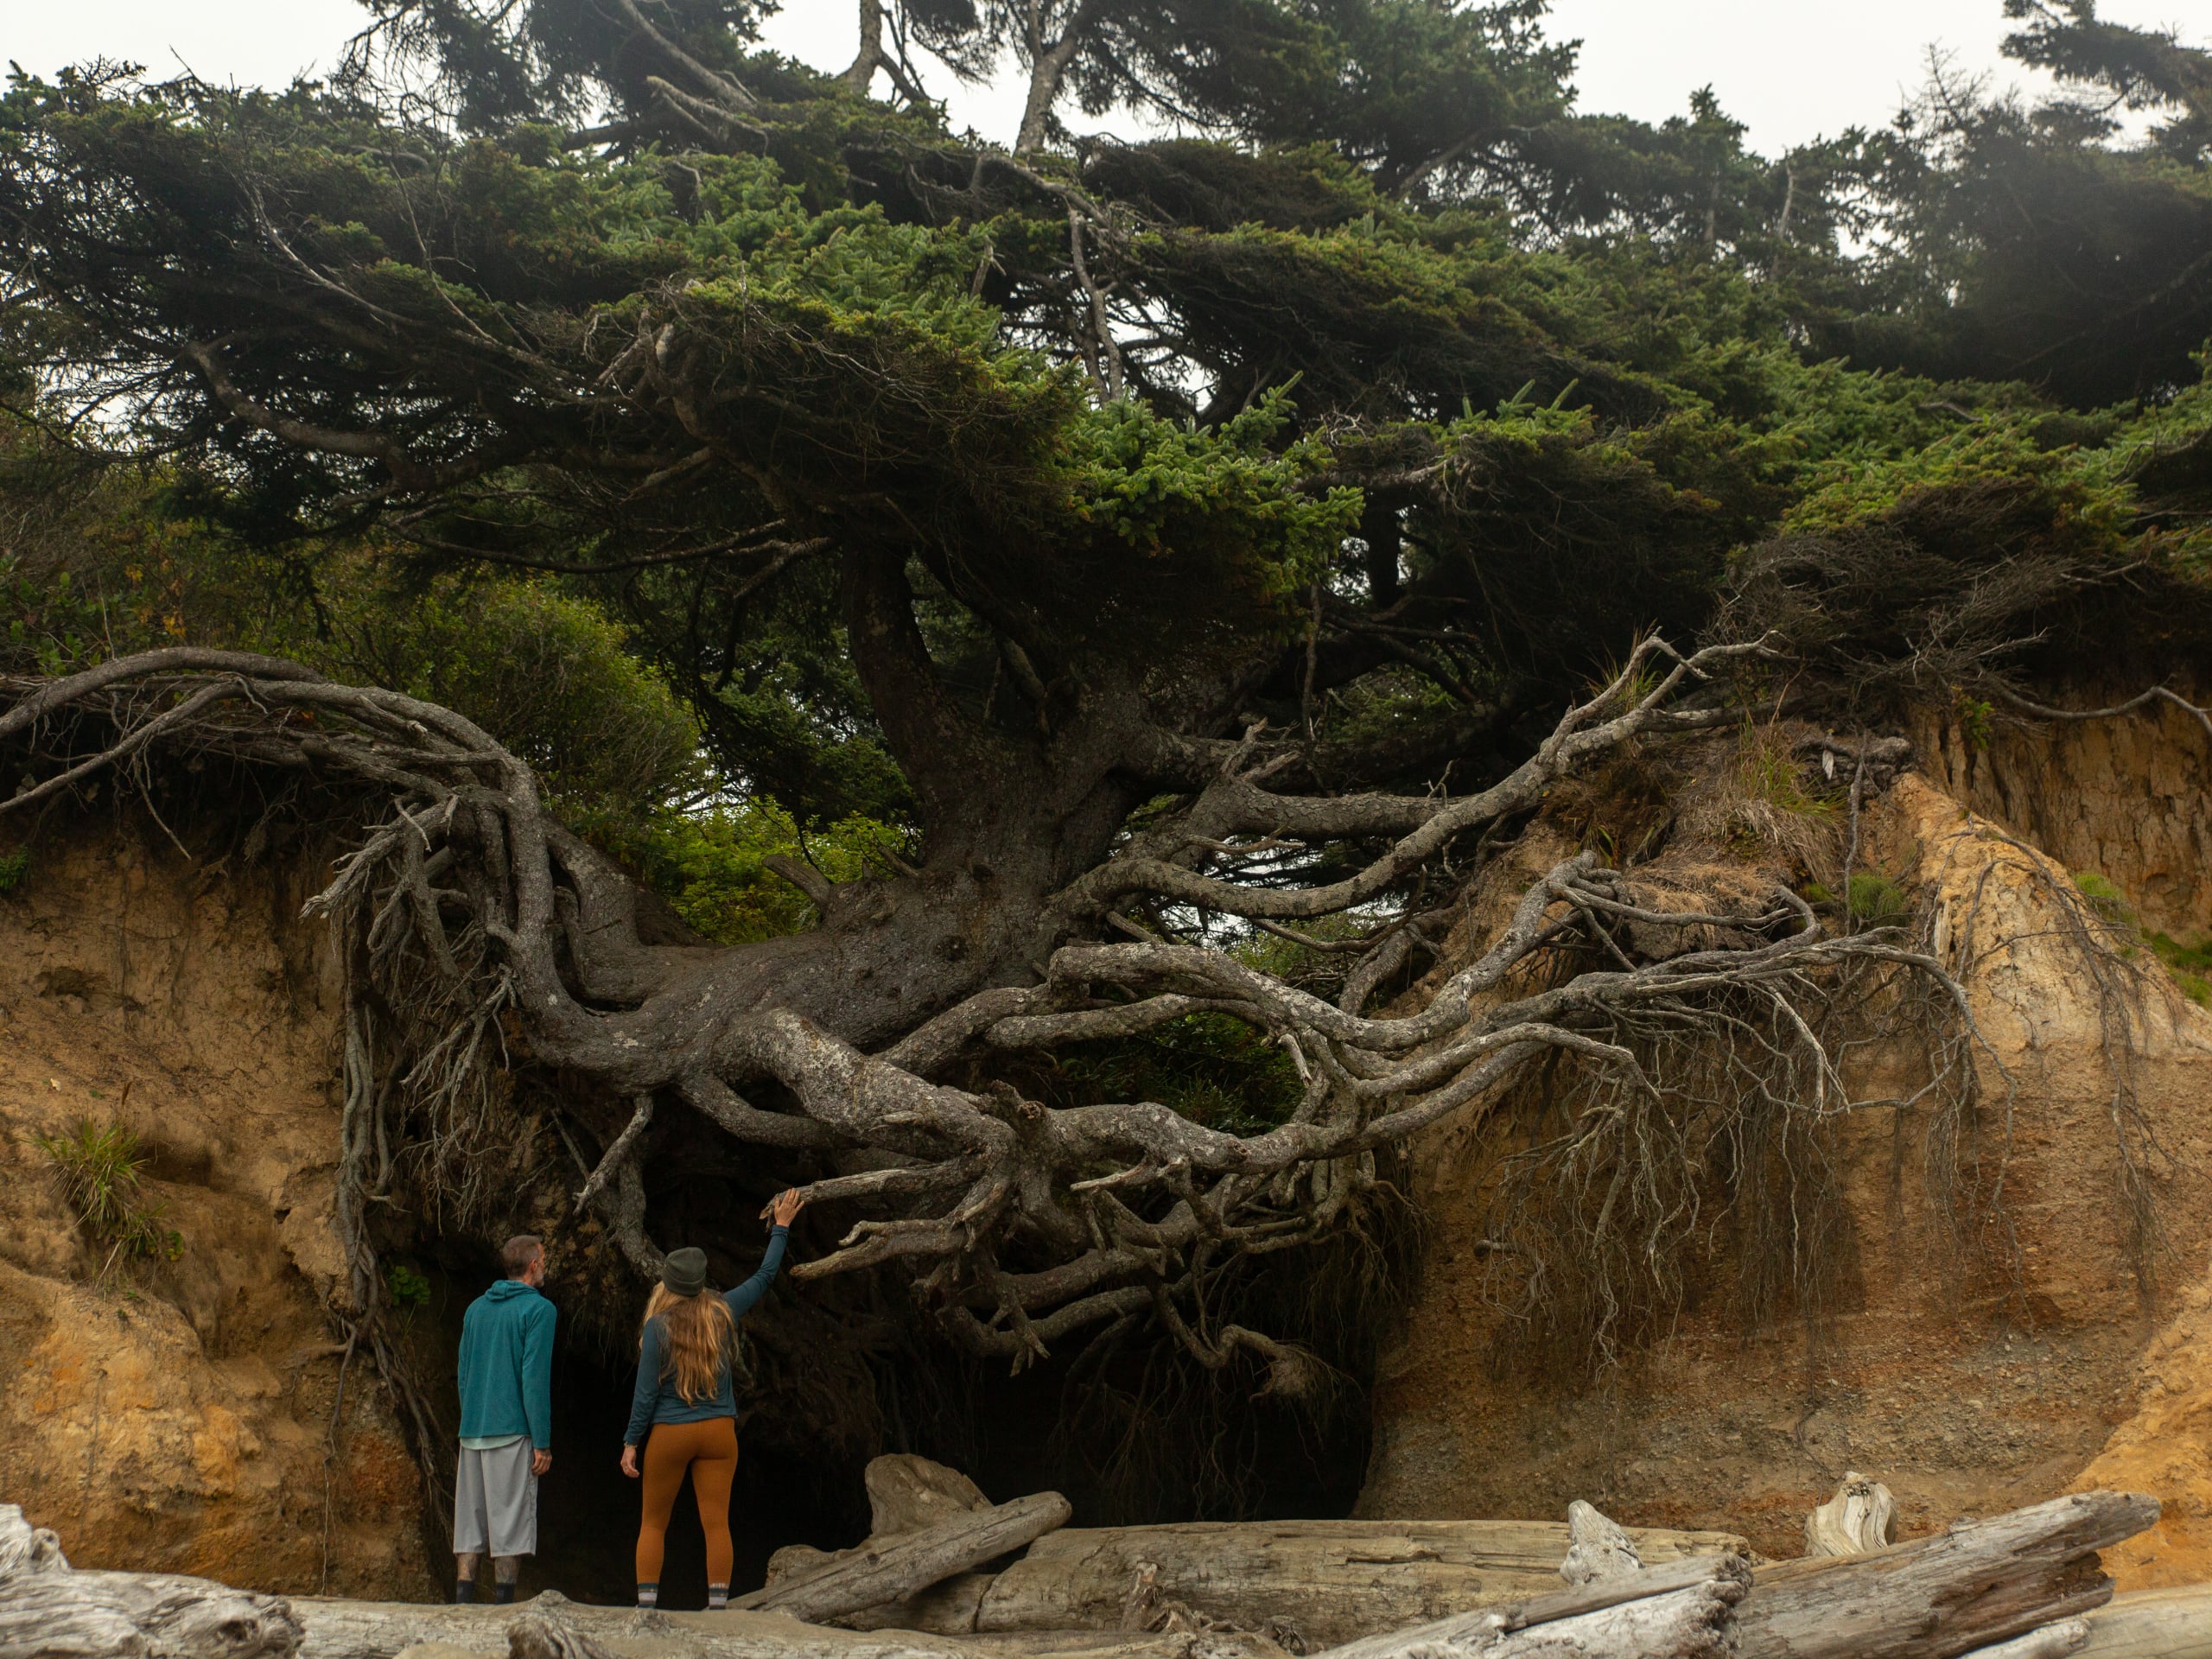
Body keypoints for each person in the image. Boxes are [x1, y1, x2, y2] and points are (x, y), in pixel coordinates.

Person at [622, 1188, 805, 1611]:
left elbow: (646, 1392)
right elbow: (763, 1276)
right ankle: (718, 1608)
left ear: (667, 1283)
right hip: (719, 1433)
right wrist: (781, 1228)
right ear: (701, 1282)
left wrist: (632, 1441)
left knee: (653, 1523)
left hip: (670, 1433)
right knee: (716, 1523)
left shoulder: (657, 1328)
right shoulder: (723, 1311)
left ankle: (647, 1609)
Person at [454, 1233, 556, 1604]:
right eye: (543, 1259)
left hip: (472, 1432)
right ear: (533, 1266)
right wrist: (541, 1441)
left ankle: (462, 1605)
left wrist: (471, 1419)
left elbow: (464, 1375)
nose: (545, 1265)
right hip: (512, 1433)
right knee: (509, 1525)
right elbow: (534, 1379)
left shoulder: (475, 1309)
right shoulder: (540, 1310)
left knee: (469, 1524)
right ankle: (502, 1608)